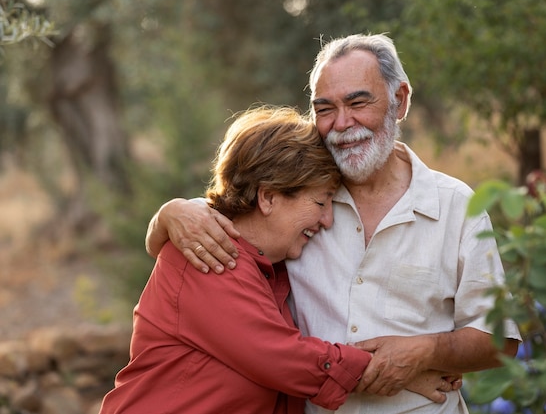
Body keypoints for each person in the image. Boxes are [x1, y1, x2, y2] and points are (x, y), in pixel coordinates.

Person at [145, 34, 521, 414]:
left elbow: (500, 341)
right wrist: (171, 213)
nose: (342, 123)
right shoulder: (296, 195)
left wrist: (425, 352)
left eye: (358, 102)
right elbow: (230, 220)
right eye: (324, 109)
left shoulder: (457, 205)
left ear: (400, 100)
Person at [100, 105, 378, 414]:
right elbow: (284, 359)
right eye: (321, 201)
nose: (327, 219)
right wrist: (394, 369)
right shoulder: (209, 256)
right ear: (269, 197)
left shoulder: (268, 267)